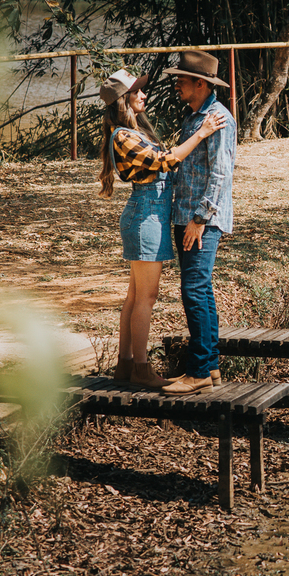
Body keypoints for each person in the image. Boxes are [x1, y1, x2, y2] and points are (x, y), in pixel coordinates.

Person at [97, 68, 225, 389]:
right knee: (146, 298)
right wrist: (202, 132)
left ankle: (125, 365)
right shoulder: (124, 136)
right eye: (136, 92)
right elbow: (166, 161)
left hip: (147, 216)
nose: (143, 95)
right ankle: (141, 368)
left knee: (134, 296)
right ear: (121, 101)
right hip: (146, 218)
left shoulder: (132, 131)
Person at [161, 51, 236, 396]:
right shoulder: (195, 118)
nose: (177, 85)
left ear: (200, 84)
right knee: (200, 290)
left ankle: (199, 371)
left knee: (193, 289)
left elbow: (221, 174)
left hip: (199, 219)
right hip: (187, 214)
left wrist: (199, 219)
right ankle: (212, 366)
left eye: (182, 80)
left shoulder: (217, 118)